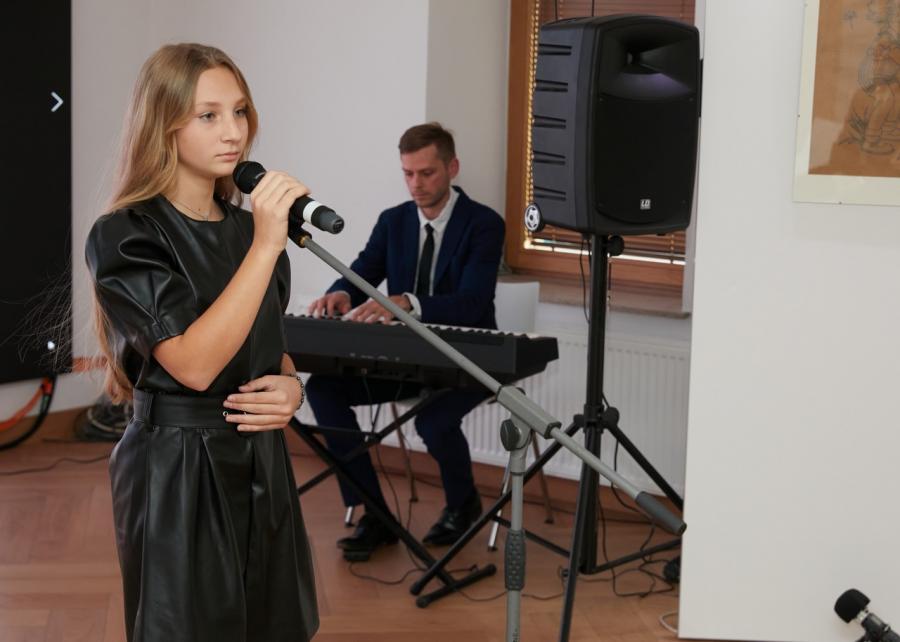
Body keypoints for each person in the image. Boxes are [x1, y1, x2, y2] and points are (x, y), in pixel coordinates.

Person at [85, 43, 318, 642]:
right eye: (208, 115)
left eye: (239, 112)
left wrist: (290, 386)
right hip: (177, 468)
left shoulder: (250, 231)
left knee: (273, 625)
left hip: (260, 459)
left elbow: (267, 346)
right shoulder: (126, 235)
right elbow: (192, 364)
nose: (233, 132)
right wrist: (267, 246)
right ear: (164, 125)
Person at [306, 123, 505, 561]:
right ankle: (374, 513)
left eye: (427, 173)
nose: (416, 184)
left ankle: (463, 505)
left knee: (433, 422)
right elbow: (361, 272)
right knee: (322, 389)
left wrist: (408, 303)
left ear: (452, 168)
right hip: (407, 359)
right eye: (408, 173)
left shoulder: (484, 225)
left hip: (468, 360)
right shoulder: (393, 221)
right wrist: (341, 292)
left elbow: (473, 302)